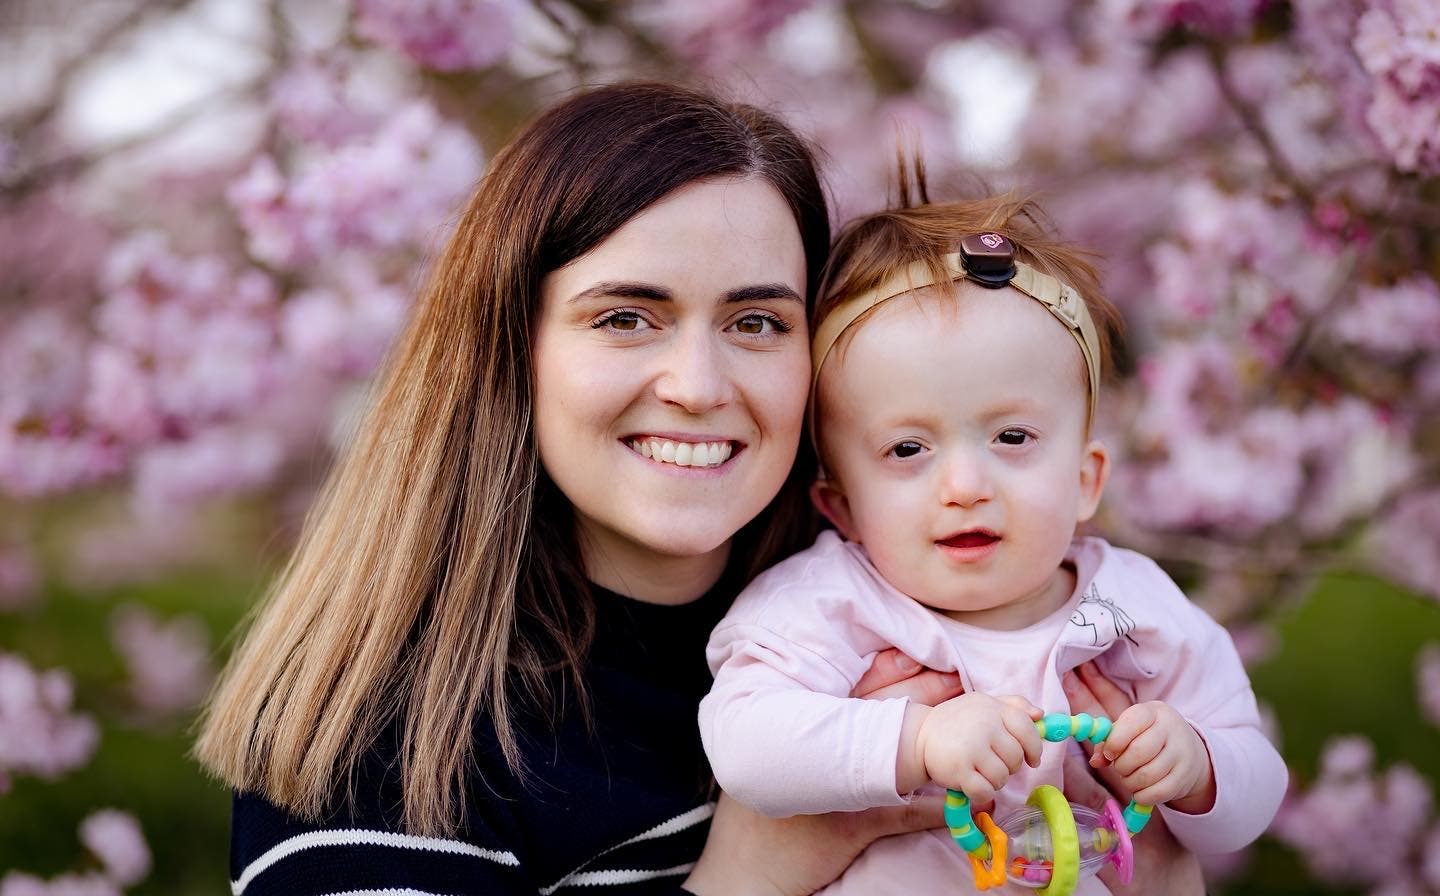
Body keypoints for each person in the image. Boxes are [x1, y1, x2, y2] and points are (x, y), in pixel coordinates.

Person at [195, 81, 1206, 896]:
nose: (698, 385)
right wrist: (748, 875)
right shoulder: (382, 742)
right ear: (513, 350)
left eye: (757, 322)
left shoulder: (895, 628)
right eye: (626, 318)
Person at [699, 169, 1288, 894]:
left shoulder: (1137, 612)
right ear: (842, 507)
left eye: (1012, 436)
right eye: (907, 450)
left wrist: (1197, 765)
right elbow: (747, 746)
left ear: (1085, 481)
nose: (967, 486)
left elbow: (1254, 792)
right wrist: (917, 741)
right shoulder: (829, 604)